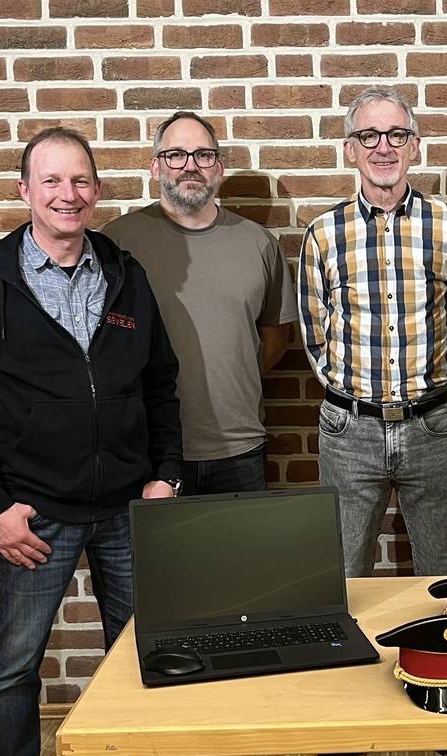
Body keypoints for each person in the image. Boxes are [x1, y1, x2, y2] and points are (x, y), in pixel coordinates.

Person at [0, 128, 210, 756]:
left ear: (97, 191)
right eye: (51, 181)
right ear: (24, 192)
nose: (67, 194)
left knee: (143, 647)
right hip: (33, 515)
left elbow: (160, 386)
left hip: (125, 507)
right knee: (14, 668)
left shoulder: (124, 273)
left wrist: (166, 475)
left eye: (80, 181)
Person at [298, 87, 447, 756]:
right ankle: (341, 722)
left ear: (416, 144)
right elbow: (318, 338)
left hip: (432, 424)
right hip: (350, 427)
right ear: (349, 149)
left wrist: (426, 396)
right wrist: (358, 400)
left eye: (396, 134)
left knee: (444, 576)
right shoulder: (323, 235)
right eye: (368, 135)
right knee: (341, 580)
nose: (383, 146)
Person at [103, 110, 297, 497]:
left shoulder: (258, 243)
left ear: (219, 167)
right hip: (147, 452)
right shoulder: (117, 242)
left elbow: (276, 336)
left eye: (203, 156)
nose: (190, 166)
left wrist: (234, 375)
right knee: (158, 560)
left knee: (243, 560)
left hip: (238, 447)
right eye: (176, 155)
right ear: (156, 168)